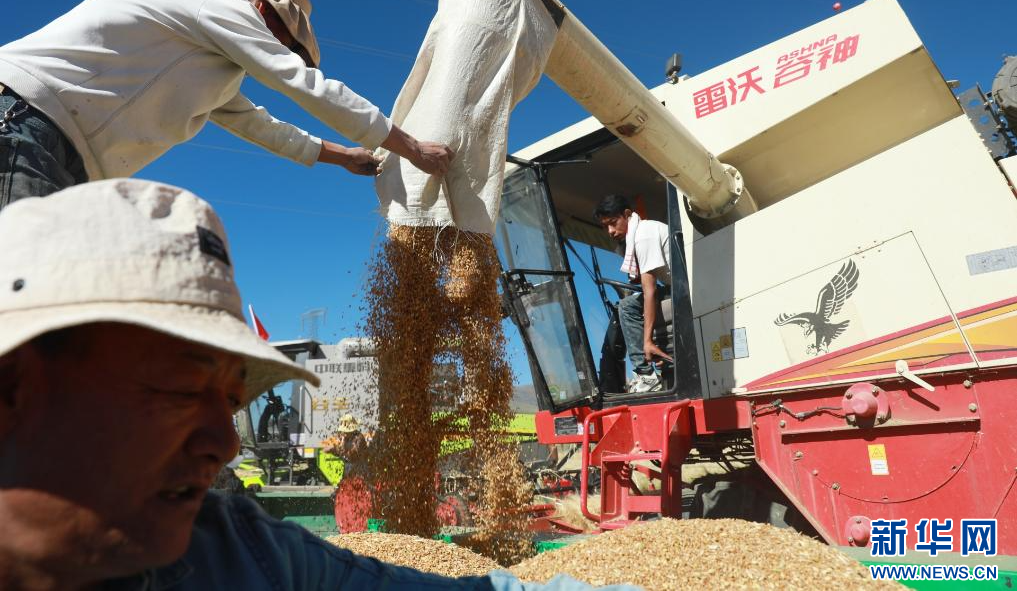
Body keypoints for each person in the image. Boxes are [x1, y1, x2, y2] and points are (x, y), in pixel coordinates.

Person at [0, 178, 639, 591]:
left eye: (232, 400)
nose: (225, 443)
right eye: (179, 389)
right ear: (12, 386)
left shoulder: (243, 555)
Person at [0, 0, 454, 212]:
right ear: (262, 7)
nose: (280, 49)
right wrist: (411, 147)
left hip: (59, 152)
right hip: (24, 118)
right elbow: (303, 85)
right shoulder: (215, 4)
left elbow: (262, 127)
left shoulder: (211, 68)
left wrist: (344, 157)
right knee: (22, 308)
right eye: (284, 39)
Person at [594, 195, 673, 393]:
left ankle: (645, 374)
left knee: (627, 307)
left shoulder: (643, 236)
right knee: (632, 303)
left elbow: (650, 290)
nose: (610, 231)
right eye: (605, 227)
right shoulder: (642, 232)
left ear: (627, 214)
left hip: (684, 291)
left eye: (613, 223)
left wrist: (647, 341)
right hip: (676, 287)